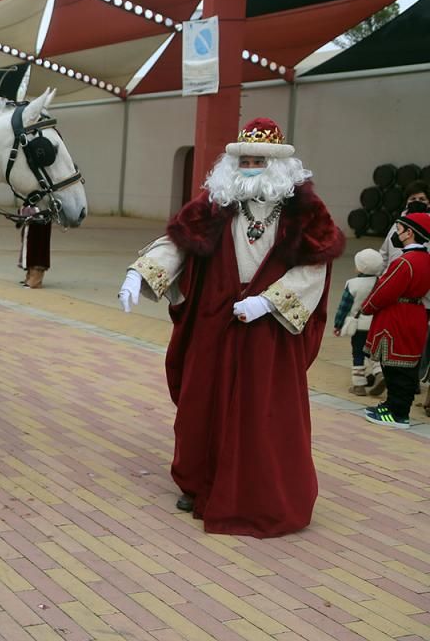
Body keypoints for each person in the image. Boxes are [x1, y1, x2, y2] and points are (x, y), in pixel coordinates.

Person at [117, 117, 344, 538]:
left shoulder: (305, 211)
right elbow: (177, 243)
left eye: (261, 160)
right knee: (201, 403)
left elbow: (315, 267)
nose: (252, 166)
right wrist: (140, 273)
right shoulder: (215, 202)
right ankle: (198, 482)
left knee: (264, 409)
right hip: (213, 321)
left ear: (280, 165)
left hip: (269, 330)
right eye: (245, 159)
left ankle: (259, 492)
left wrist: (267, 301)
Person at [360, 212, 430, 428]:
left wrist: (367, 306)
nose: (396, 233)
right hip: (416, 313)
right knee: (406, 366)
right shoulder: (426, 259)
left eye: (399, 229)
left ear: (410, 233)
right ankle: (392, 405)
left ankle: (397, 413)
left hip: (398, 315)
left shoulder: (404, 262)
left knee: (395, 367)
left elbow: (385, 290)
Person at [333, 249, 383, 395]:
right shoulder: (381, 282)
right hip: (376, 325)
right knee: (374, 351)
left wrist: (338, 324)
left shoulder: (352, 284)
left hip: (359, 326)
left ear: (360, 267)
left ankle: (359, 385)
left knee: (358, 353)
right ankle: (379, 373)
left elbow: (344, 307)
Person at [19, 220, 52, 288]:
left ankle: (36, 277)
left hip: (42, 215)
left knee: (38, 238)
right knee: (30, 238)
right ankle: (31, 274)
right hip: (33, 213)